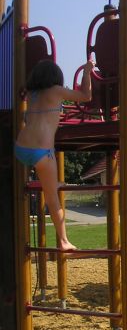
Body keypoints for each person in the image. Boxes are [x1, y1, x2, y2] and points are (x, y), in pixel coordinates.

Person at [15, 59, 94, 251]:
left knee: (48, 179)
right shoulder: (57, 91)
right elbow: (86, 96)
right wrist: (87, 71)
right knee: (52, 199)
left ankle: (52, 182)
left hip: (20, 148)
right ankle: (64, 241)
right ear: (56, 77)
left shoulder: (31, 94)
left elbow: (23, 93)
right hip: (42, 153)